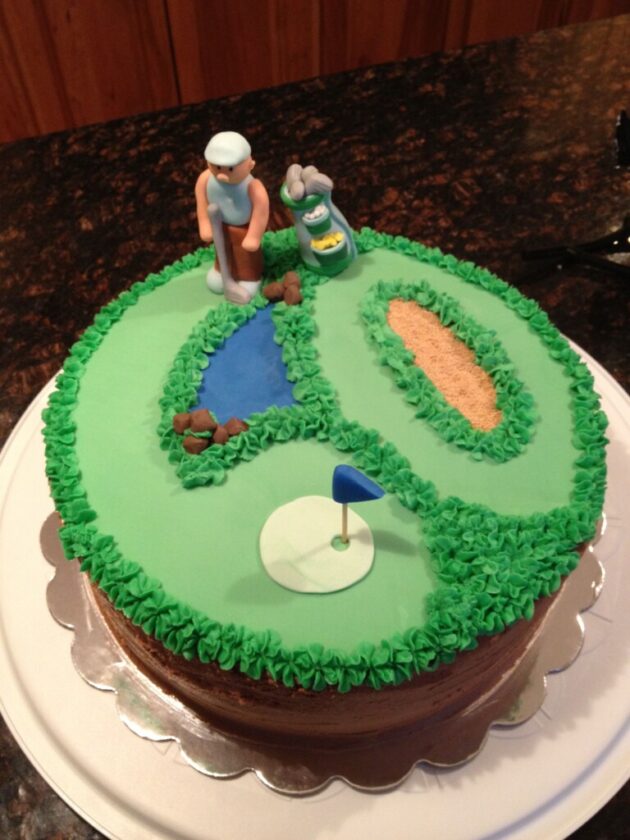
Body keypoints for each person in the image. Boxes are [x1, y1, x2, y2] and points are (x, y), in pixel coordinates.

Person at [195, 131, 269, 304]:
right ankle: (221, 272)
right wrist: (205, 224)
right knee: (222, 251)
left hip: (244, 230)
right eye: (217, 167)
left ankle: (249, 278)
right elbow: (202, 202)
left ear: (250, 164)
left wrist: (254, 236)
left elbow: (261, 211)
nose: (222, 175)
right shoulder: (205, 178)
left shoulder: (253, 186)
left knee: (245, 256)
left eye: (230, 169)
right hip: (219, 225)